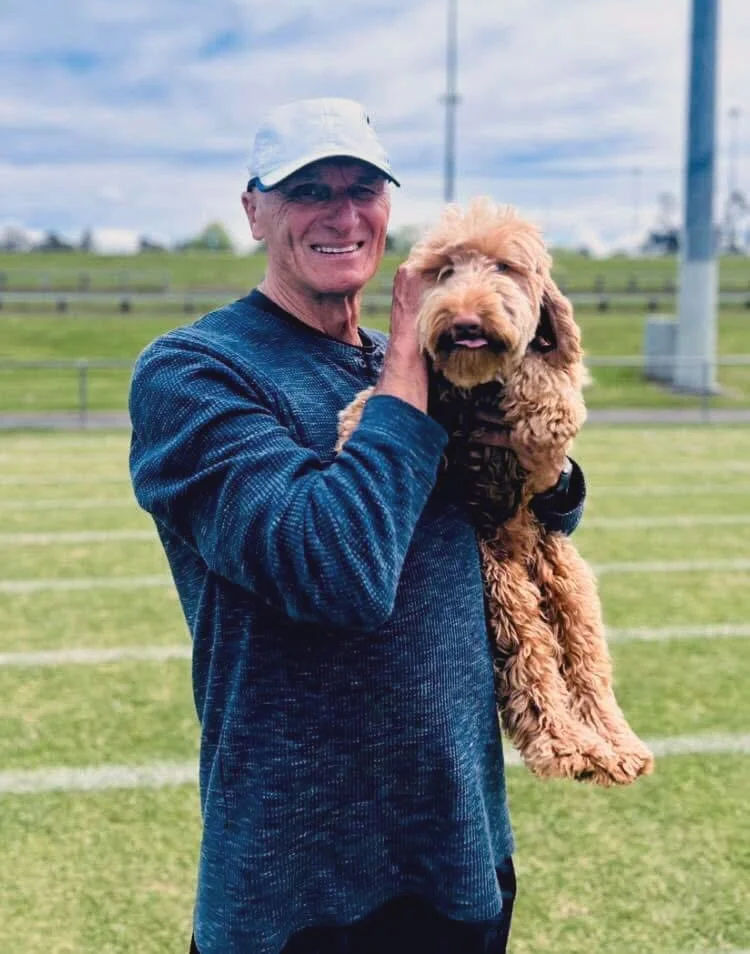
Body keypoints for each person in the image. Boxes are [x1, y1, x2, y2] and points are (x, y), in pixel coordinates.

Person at [128, 97, 586, 954]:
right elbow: (335, 571)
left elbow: (501, 511)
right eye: (308, 190)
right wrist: (408, 370)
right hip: (297, 877)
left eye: (362, 188)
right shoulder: (193, 372)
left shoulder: (412, 353)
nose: (341, 214)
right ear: (255, 210)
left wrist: (554, 477)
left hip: (459, 843)